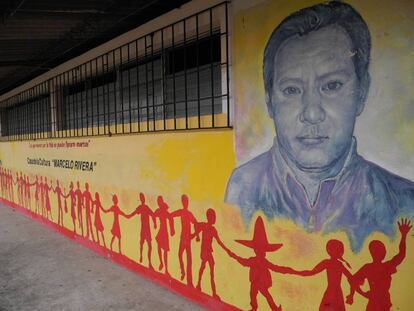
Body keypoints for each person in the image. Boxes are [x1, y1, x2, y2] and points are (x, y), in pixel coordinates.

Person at [225, 1, 414, 251]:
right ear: (270, 101)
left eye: (332, 85)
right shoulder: (244, 186)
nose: (311, 113)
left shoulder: (403, 201)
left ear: (361, 92)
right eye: (291, 90)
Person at [223, 216, 298, 311]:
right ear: (255, 250)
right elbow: (243, 261)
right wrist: (232, 254)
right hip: (255, 280)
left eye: (261, 250)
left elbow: (276, 267)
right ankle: (256, 307)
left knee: (264, 294)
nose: (259, 252)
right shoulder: (253, 260)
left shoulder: (262, 261)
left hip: (261, 281)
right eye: (258, 249)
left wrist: (290, 271)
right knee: (254, 293)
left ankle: (273, 308)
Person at [347, 219, 412, 310]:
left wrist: (359, 294)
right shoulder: (381, 266)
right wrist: (360, 294)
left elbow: (401, 255)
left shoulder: (378, 266)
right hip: (377, 302)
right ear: (374, 253)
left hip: (382, 302)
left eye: (383, 250)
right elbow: (353, 281)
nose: (383, 252)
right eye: (381, 250)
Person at [294, 239, 353, 311]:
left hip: (332, 293)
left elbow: (311, 272)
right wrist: (352, 295)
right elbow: (352, 279)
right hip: (337, 294)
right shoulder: (338, 264)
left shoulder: (330, 263)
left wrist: (296, 272)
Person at [192, 208, 227, 300]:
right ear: (209, 217)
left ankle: (209, 290)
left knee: (209, 270)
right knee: (204, 268)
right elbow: (195, 225)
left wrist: (227, 250)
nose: (214, 218)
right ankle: (200, 285)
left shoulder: (212, 229)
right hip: (204, 252)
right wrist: (195, 236)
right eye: (213, 217)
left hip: (208, 252)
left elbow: (219, 242)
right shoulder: (205, 226)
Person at [171, 194, 198, 286]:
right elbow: (171, 215)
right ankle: (183, 272)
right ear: (183, 203)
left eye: (186, 201)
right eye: (184, 201)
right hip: (184, 238)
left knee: (187, 258)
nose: (185, 203)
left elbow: (196, 224)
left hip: (186, 239)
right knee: (181, 256)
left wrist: (195, 235)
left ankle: (188, 279)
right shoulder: (182, 212)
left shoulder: (188, 213)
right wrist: (172, 229)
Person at [126, 193, 156, 269]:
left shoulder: (146, 207)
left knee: (149, 246)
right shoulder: (141, 207)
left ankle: (149, 262)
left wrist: (155, 223)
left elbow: (152, 215)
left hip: (147, 229)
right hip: (144, 229)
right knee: (142, 244)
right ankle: (141, 256)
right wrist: (128, 216)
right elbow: (134, 213)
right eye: (141, 198)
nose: (142, 199)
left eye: (142, 198)